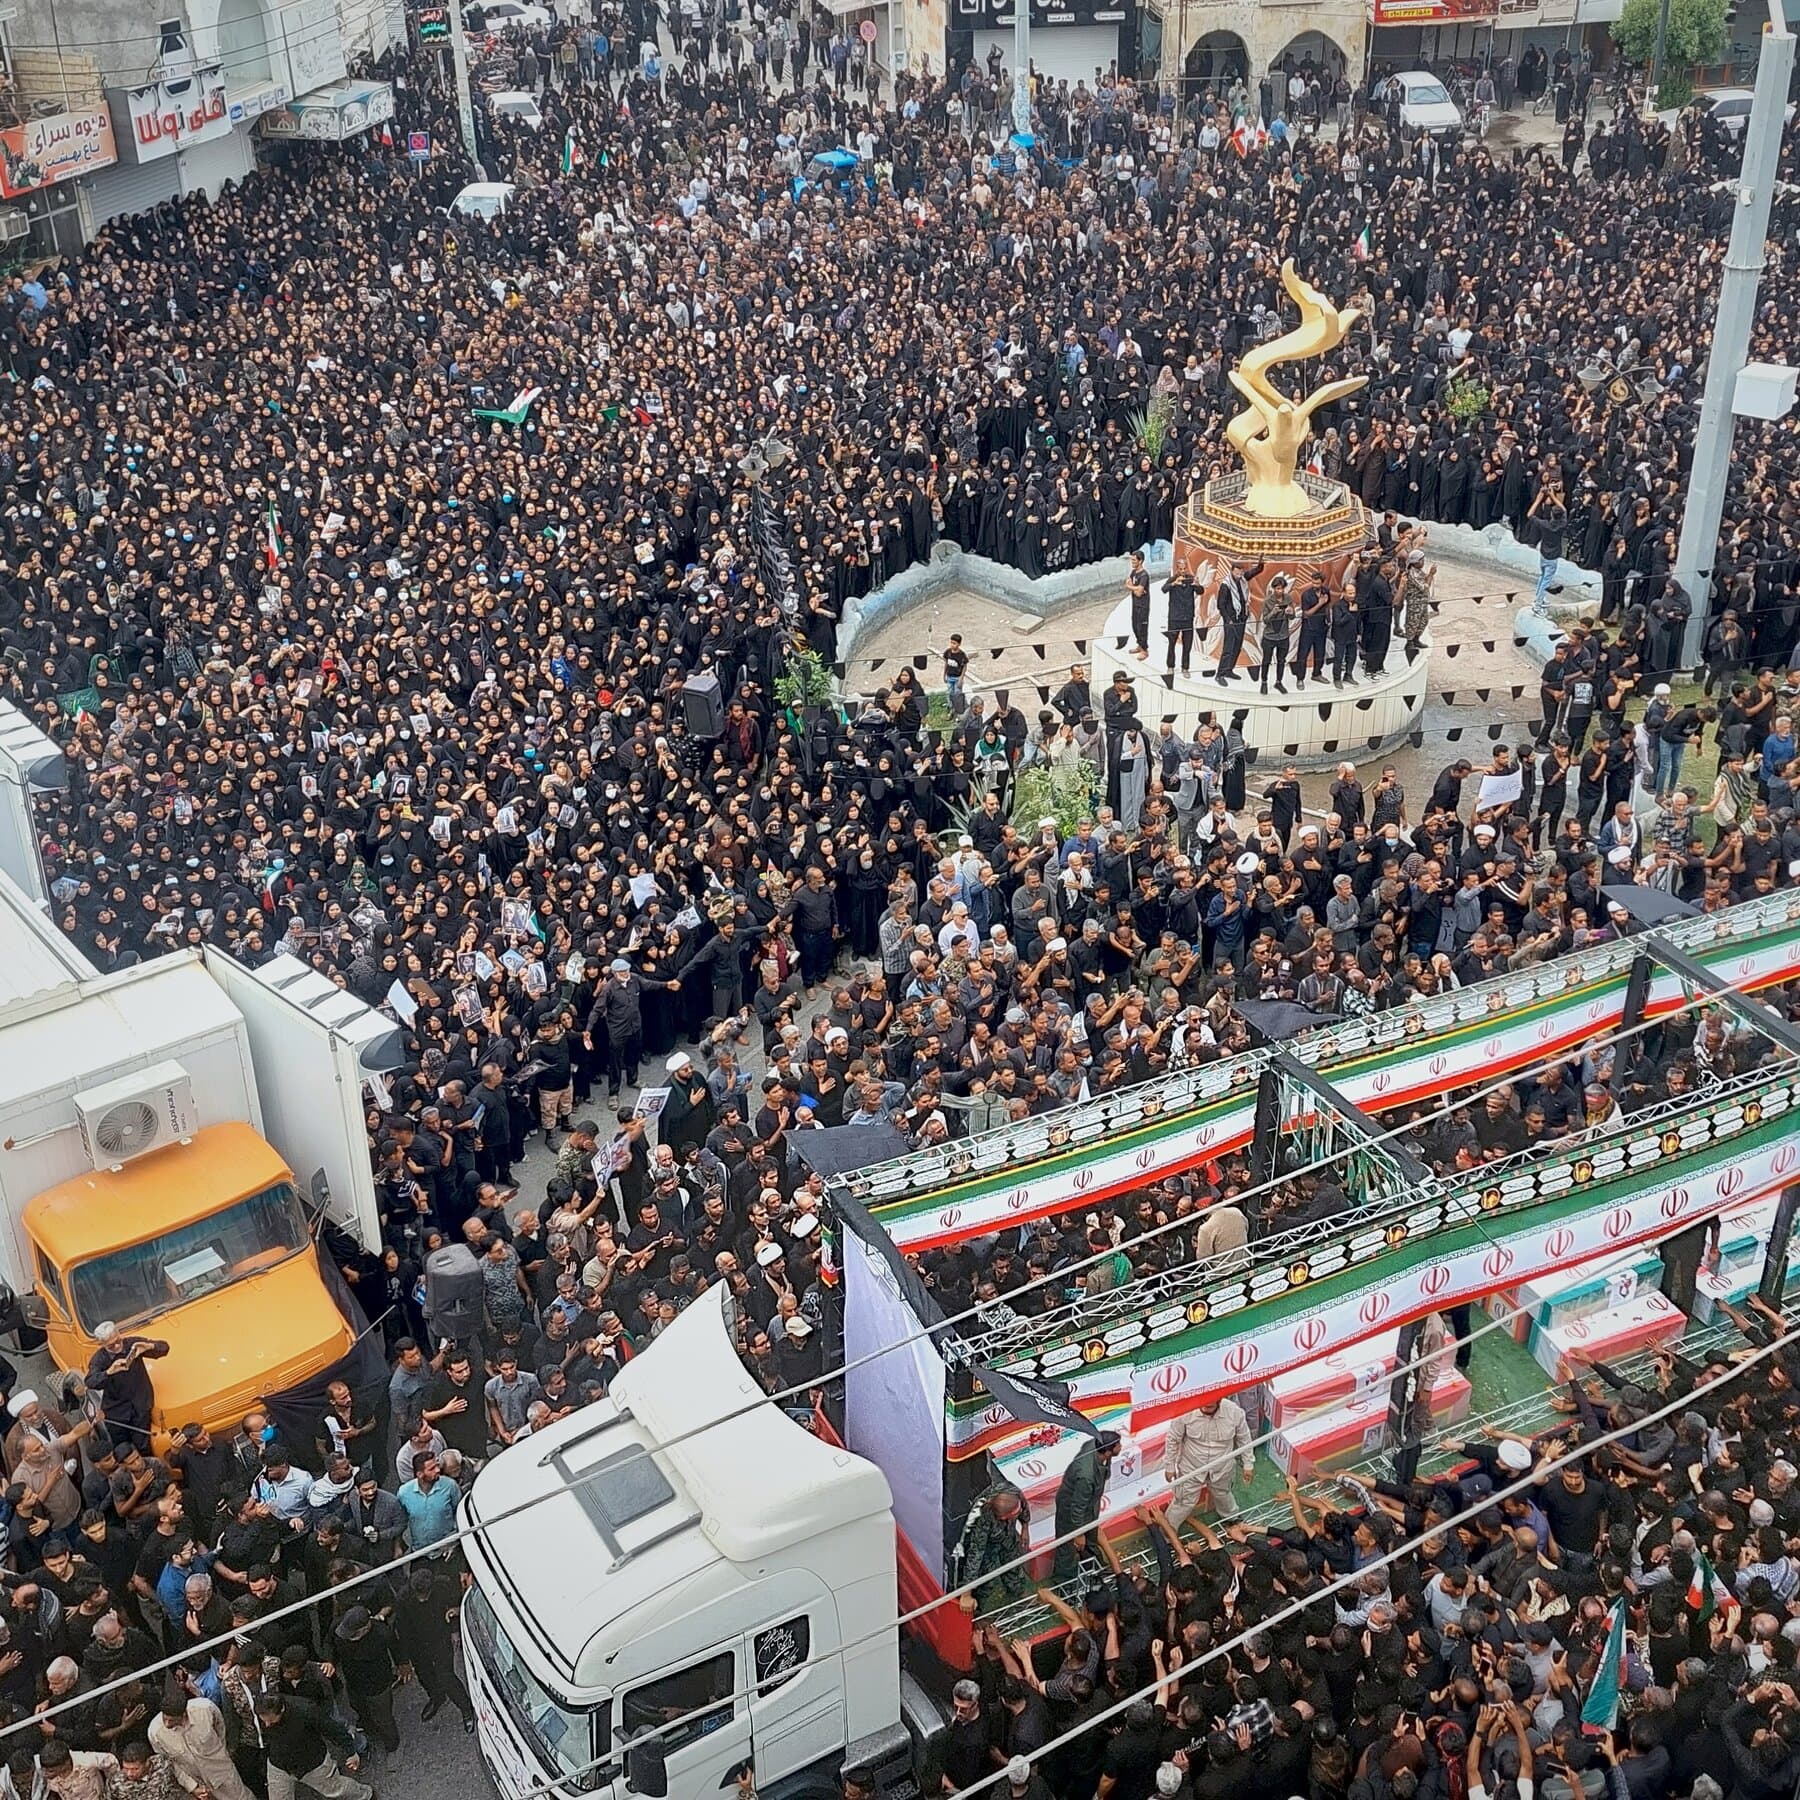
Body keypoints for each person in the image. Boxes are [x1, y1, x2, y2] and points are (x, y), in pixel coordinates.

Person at [251, 1689, 370, 1800]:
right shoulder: (263, 1710)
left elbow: (333, 1730)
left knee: (337, 1789)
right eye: (263, 1720)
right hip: (279, 1765)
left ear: (282, 1709)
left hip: (313, 1764)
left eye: (271, 1721)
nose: (266, 1725)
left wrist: (351, 1752)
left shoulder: (306, 1710)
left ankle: (366, 1795)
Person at [84, 1330, 170, 1449]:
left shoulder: (132, 1344)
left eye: (118, 1341)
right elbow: (90, 1381)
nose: (117, 1346)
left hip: (140, 1406)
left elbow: (164, 1348)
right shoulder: (99, 1359)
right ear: (102, 1345)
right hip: (116, 1412)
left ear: (119, 1334)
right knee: (121, 1449)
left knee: (143, 1446)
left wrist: (149, 1346)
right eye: (111, 1346)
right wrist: (109, 1372)